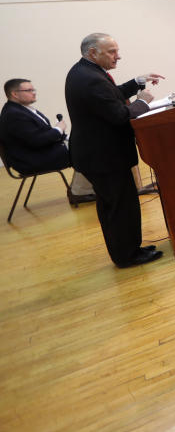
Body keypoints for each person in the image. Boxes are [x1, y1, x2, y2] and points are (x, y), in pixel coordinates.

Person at [64, 33, 164, 268]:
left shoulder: (85, 71)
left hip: (100, 155)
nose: (118, 56)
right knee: (119, 207)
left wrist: (138, 81)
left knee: (116, 205)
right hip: (104, 157)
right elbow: (118, 115)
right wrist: (143, 102)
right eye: (111, 51)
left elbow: (110, 96)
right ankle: (127, 256)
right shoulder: (90, 79)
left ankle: (128, 250)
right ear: (93, 53)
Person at [0, 78, 95, 205]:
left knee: (88, 145)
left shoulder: (21, 109)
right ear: (14, 94)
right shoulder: (13, 114)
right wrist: (58, 130)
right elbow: (37, 141)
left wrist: (62, 136)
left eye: (33, 89)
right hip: (32, 160)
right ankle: (80, 192)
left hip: (41, 152)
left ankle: (82, 189)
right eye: (29, 90)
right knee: (87, 150)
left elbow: (39, 135)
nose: (33, 92)